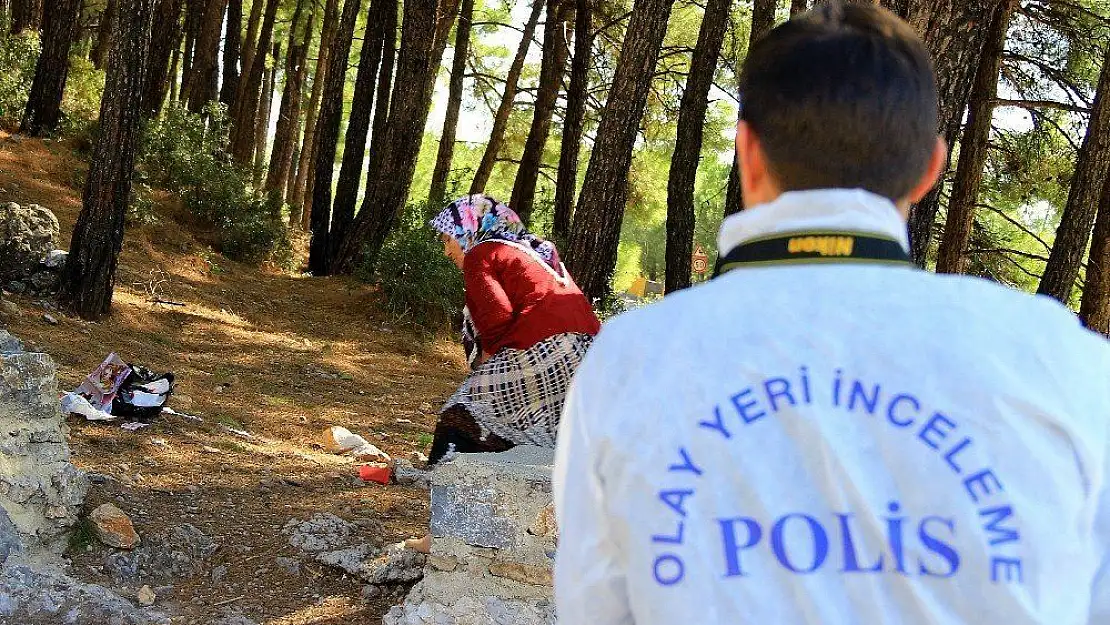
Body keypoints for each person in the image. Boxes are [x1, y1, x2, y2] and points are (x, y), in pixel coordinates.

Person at [553, 3, 1110, 624]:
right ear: (931, 168)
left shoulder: (629, 360)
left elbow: (596, 609)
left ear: (747, 152)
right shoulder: (1067, 361)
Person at [428, 194, 600, 465]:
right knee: (541, 425)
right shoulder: (530, 253)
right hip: (591, 354)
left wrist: (483, 376)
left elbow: (497, 321)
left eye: (448, 240)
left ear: (467, 230)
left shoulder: (480, 254)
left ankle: (445, 475)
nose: (446, 251)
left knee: (463, 411)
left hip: (546, 349)